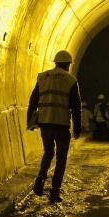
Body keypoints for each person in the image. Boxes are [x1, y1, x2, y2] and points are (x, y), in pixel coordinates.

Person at [27, 50, 82, 203]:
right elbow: (76, 107)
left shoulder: (43, 76)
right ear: (68, 65)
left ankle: (41, 176)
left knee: (48, 152)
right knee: (61, 158)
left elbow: (33, 100)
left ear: (55, 62)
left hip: (45, 123)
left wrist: (29, 121)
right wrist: (77, 128)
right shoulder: (70, 80)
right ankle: (54, 192)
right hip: (61, 124)